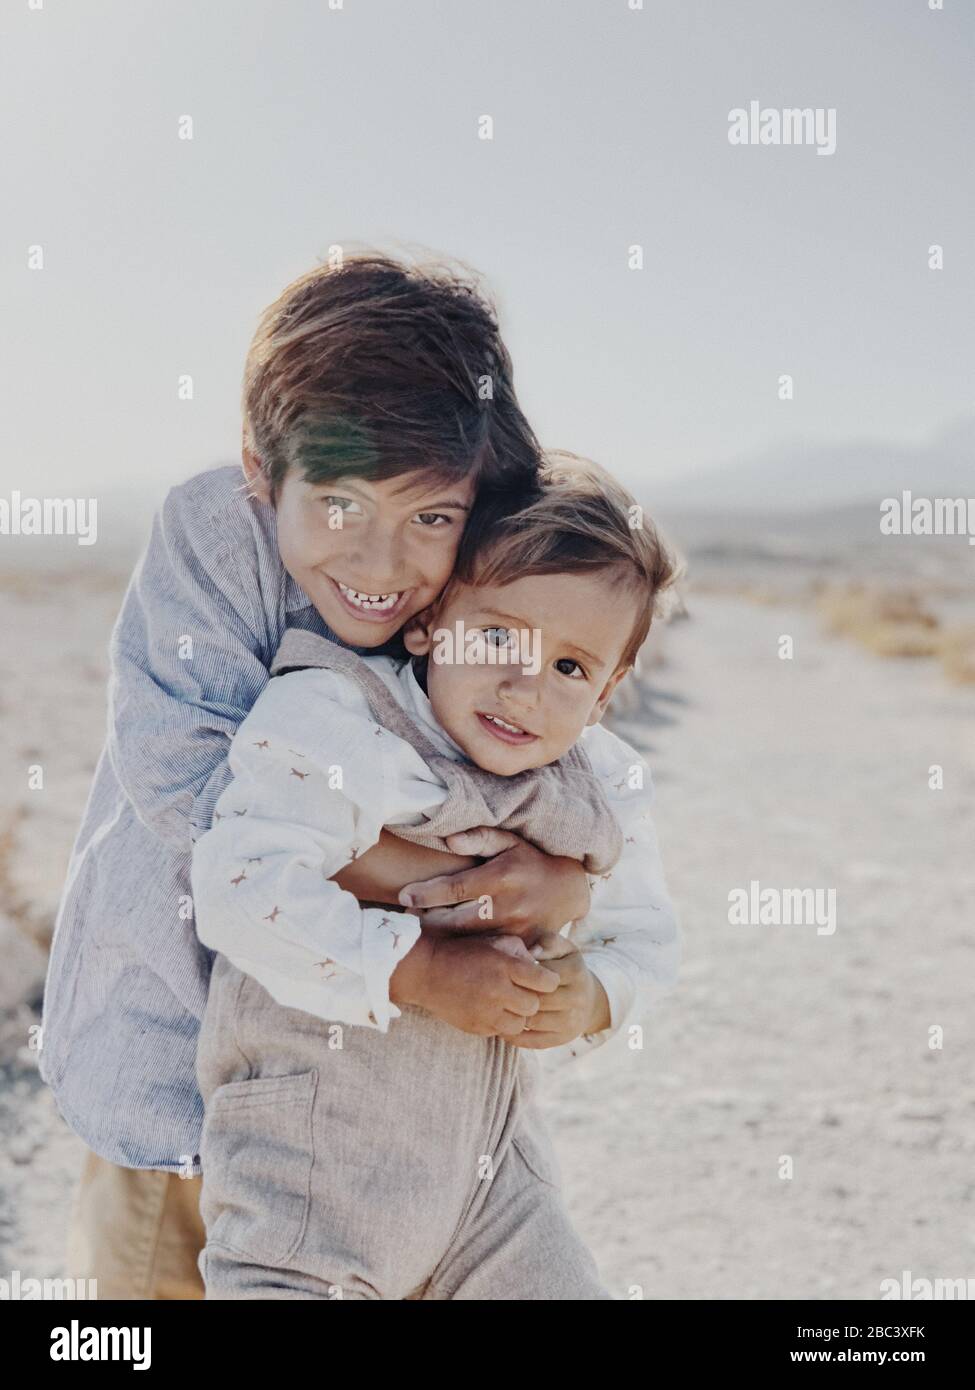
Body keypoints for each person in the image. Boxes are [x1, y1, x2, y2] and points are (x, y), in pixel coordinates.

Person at [192, 456, 681, 1299]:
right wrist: (416, 968)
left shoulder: (601, 781)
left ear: (606, 694)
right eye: (496, 638)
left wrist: (590, 997)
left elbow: (644, 938)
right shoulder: (339, 719)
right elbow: (240, 885)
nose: (525, 689)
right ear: (426, 624)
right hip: (313, 1166)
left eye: (571, 669)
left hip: (491, 1182)